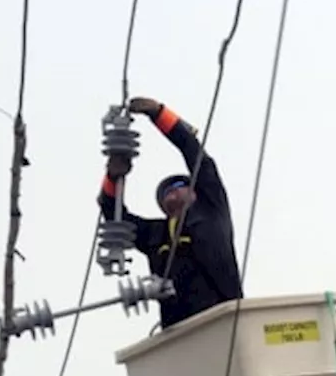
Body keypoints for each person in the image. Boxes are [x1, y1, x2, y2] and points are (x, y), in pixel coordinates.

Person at [98, 97, 243, 329]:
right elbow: (112, 214)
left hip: (223, 317)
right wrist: (113, 177)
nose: (170, 192)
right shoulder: (154, 234)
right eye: (164, 192)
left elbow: (194, 153)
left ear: (195, 192)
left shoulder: (212, 210)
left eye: (178, 186)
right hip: (178, 332)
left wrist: (158, 113)